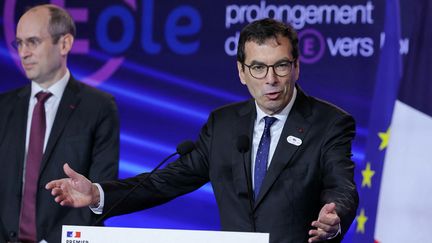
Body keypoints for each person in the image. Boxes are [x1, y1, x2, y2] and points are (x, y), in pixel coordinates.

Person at [46, 18, 358, 243]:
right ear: (241, 72)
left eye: (281, 65)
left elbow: (341, 185)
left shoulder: (329, 123)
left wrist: (335, 217)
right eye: (258, 67)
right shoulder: (223, 124)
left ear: (296, 67)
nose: (271, 79)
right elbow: (164, 183)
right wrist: (98, 193)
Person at [0, 4, 119, 243]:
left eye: (32, 42)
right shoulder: (3, 108)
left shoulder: (99, 107)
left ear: (64, 44)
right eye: (19, 43)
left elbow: (100, 192)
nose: (23, 53)